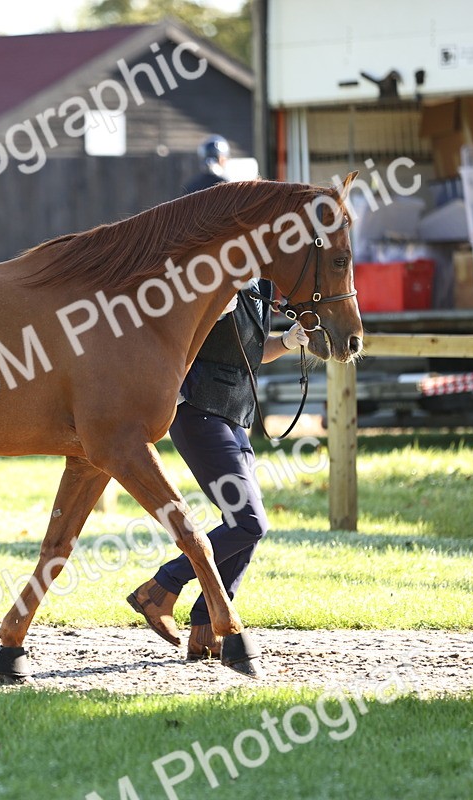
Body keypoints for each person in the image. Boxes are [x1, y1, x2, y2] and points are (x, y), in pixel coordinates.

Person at [125, 137, 309, 676]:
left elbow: (253, 352)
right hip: (198, 412)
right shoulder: (196, 281)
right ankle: (161, 586)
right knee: (250, 523)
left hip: (236, 414)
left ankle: (205, 625)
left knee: (244, 525)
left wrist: (293, 339)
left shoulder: (253, 281)